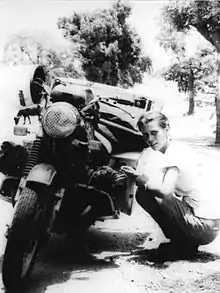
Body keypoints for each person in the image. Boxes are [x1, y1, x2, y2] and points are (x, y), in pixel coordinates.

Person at [121, 111, 220, 260]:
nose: (150, 139)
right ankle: (183, 243)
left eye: (154, 133)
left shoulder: (174, 153)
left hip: (206, 227)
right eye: (145, 135)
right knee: (149, 193)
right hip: (207, 223)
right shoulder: (174, 149)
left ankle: (181, 244)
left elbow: (166, 191)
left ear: (167, 128)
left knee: (145, 194)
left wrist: (140, 180)